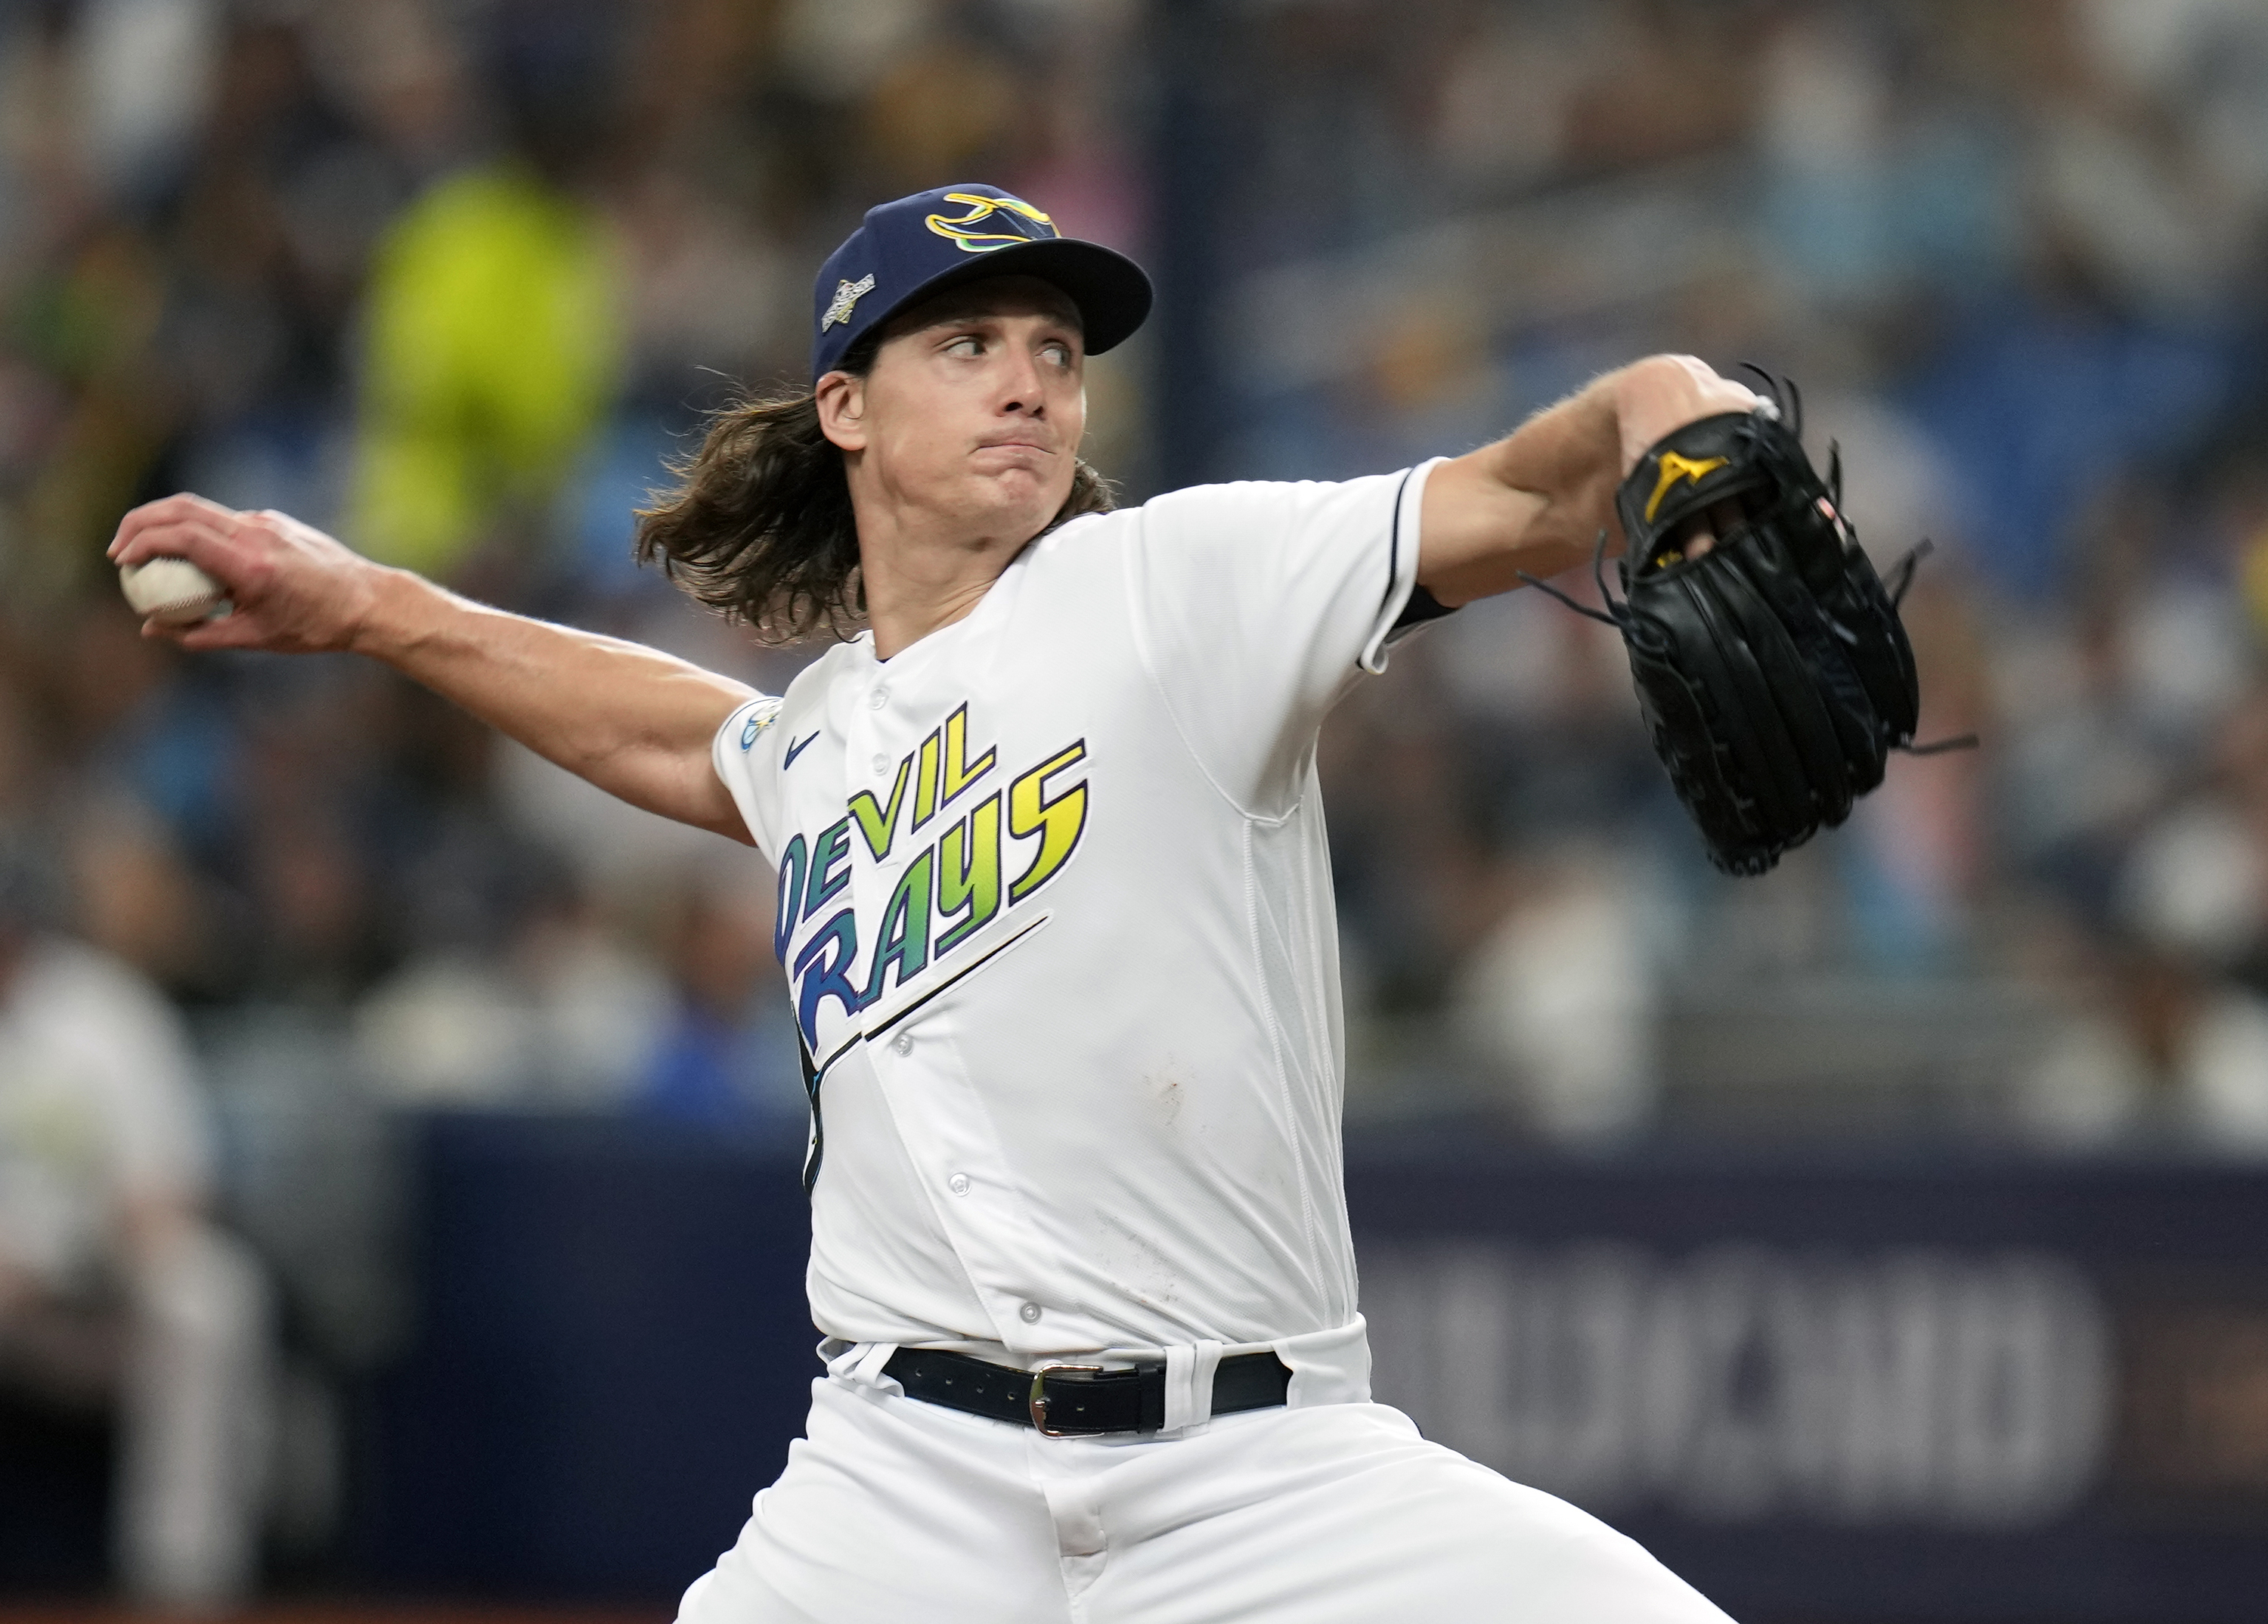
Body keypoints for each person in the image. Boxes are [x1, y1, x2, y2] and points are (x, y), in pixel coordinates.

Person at [110, 183, 1757, 1621]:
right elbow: (677, 732)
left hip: (1261, 1476)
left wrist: (1662, 405)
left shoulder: (1180, 587)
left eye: (1057, 351)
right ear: (845, 406)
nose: (1032, 384)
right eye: (968, 347)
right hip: (902, 1489)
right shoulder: (821, 736)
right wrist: (369, 604)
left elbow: (1519, 498)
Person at [0, 845, 271, 1607]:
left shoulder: (104, 1013)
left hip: (93, 1289)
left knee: (209, 1296)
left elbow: (170, 1189)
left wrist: (71, 1253)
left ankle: (180, 1578)